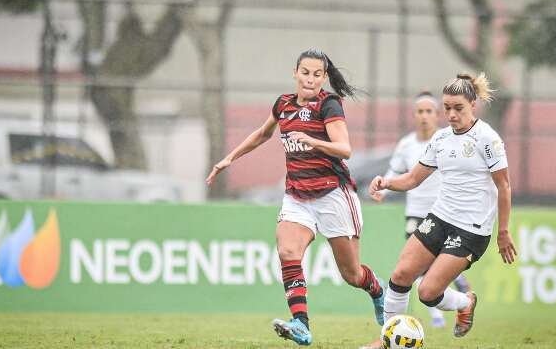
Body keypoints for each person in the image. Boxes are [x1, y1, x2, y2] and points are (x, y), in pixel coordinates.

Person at [206, 48, 385, 346]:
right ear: (295, 73)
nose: (310, 79)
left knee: (352, 274)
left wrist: (312, 139)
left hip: (333, 195)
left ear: (324, 77)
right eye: (305, 72)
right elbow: (263, 134)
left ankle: (378, 291)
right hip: (298, 196)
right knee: (288, 252)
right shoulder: (283, 104)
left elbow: (345, 149)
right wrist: (229, 158)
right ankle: (301, 324)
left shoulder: (329, 105)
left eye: (317, 74)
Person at [369, 73, 517, 339]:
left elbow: (504, 186)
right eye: (446, 107)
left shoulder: (487, 138)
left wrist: (503, 232)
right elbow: (414, 178)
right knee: (401, 274)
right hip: (440, 217)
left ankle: (465, 302)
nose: (451, 114)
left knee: (427, 292)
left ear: (473, 104)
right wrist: (386, 182)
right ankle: (385, 340)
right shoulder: (440, 139)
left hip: (472, 229)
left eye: (457, 107)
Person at [375, 91, 471, 328]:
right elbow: (396, 172)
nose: (424, 116)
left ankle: (457, 285)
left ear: (437, 115)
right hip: (416, 214)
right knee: (414, 268)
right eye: (420, 111)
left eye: (429, 111)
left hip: (444, 214)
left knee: (435, 266)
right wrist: (383, 189)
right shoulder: (406, 144)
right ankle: (437, 315)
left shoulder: (446, 139)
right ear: (414, 115)